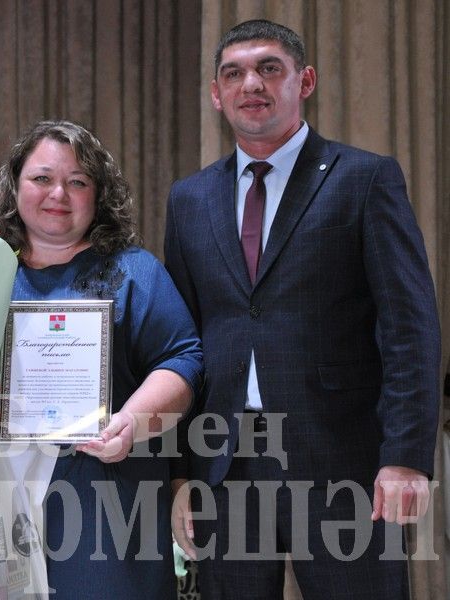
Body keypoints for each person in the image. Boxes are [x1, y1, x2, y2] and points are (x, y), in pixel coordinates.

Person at [164, 19, 441, 599]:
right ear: (216, 94)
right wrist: (181, 471)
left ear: (304, 80)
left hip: (346, 465)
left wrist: (407, 457)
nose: (251, 85)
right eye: (233, 73)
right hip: (225, 463)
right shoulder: (188, 199)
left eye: (270, 68)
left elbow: (409, 327)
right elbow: (182, 344)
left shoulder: (364, 178)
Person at [0, 120, 204, 598]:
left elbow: (182, 361)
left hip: (107, 496)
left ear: (98, 195)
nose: (58, 193)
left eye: (77, 181)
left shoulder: (135, 271)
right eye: (42, 178)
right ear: (15, 185)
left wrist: (132, 421)